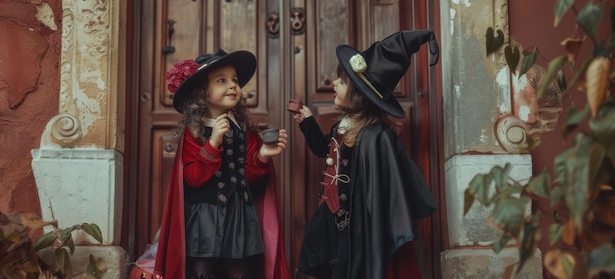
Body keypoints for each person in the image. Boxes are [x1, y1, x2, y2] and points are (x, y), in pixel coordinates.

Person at [293, 30, 439, 279]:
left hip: (356, 226)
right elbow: (321, 148)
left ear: (359, 93)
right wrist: (307, 121)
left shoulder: (376, 136)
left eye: (342, 80)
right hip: (330, 220)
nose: (334, 83)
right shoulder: (343, 127)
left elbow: (382, 191)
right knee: (319, 265)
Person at [154, 49, 291, 279]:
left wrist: (263, 155)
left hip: (239, 214)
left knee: (239, 270)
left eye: (235, 80)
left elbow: (250, 178)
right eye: (222, 80)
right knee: (202, 270)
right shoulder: (194, 132)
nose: (232, 86)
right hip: (205, 215)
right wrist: (213, 143)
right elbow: (192, 178)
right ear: (201, 94)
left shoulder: (244, 131)